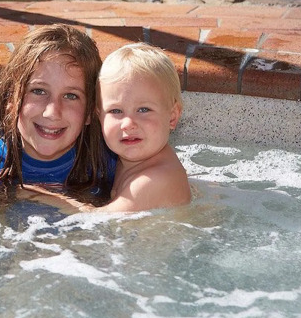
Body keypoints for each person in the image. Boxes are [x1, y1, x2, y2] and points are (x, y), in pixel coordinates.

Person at [24, 42, 192, 213]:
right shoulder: (131, 161)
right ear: (99, 116)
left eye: (143, 110)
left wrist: (42, 195)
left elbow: (98, 220)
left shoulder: (154, 180)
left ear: (172, 117)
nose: (128, 124)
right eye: (116, 111)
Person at [0, 24, 113, 196]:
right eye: (39, 91)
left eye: (71, 96)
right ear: (11, 100)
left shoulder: (108, 164)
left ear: (90, 111)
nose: (52, 112)